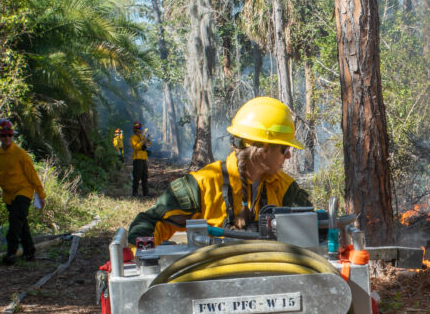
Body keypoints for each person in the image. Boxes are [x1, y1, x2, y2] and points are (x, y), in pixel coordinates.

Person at [128, 97, 311, 245]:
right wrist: (145, 257)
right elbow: (148, 224)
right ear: (264, 150)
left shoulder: (286, 189)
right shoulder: (203, 184)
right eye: (284, 149)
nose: (288, 156)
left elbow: (312, 229)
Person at [0, 119, 44, 264]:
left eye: (9, 136)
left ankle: (11, 254)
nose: (7, 139)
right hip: (8, 195)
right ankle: (29, 252)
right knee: (22, 224)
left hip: (23, 192)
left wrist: (41, 195)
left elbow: (33, 175)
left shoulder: (21, 154)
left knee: (14, 222)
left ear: (12, 137)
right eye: (3, 136)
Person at [130, 121, 150, 197]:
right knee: (137, 176)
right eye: (139, 128)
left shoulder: (142, 136)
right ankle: (134, 193)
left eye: (141, 128)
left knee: (145, 176)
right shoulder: (133, 138)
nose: (141, 130)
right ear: (136, 129)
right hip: (137, 159)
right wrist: (142, 142)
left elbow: (148, 144)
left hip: (144, 158)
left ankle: (146, 193)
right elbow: (135, 147)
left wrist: (147, 140)